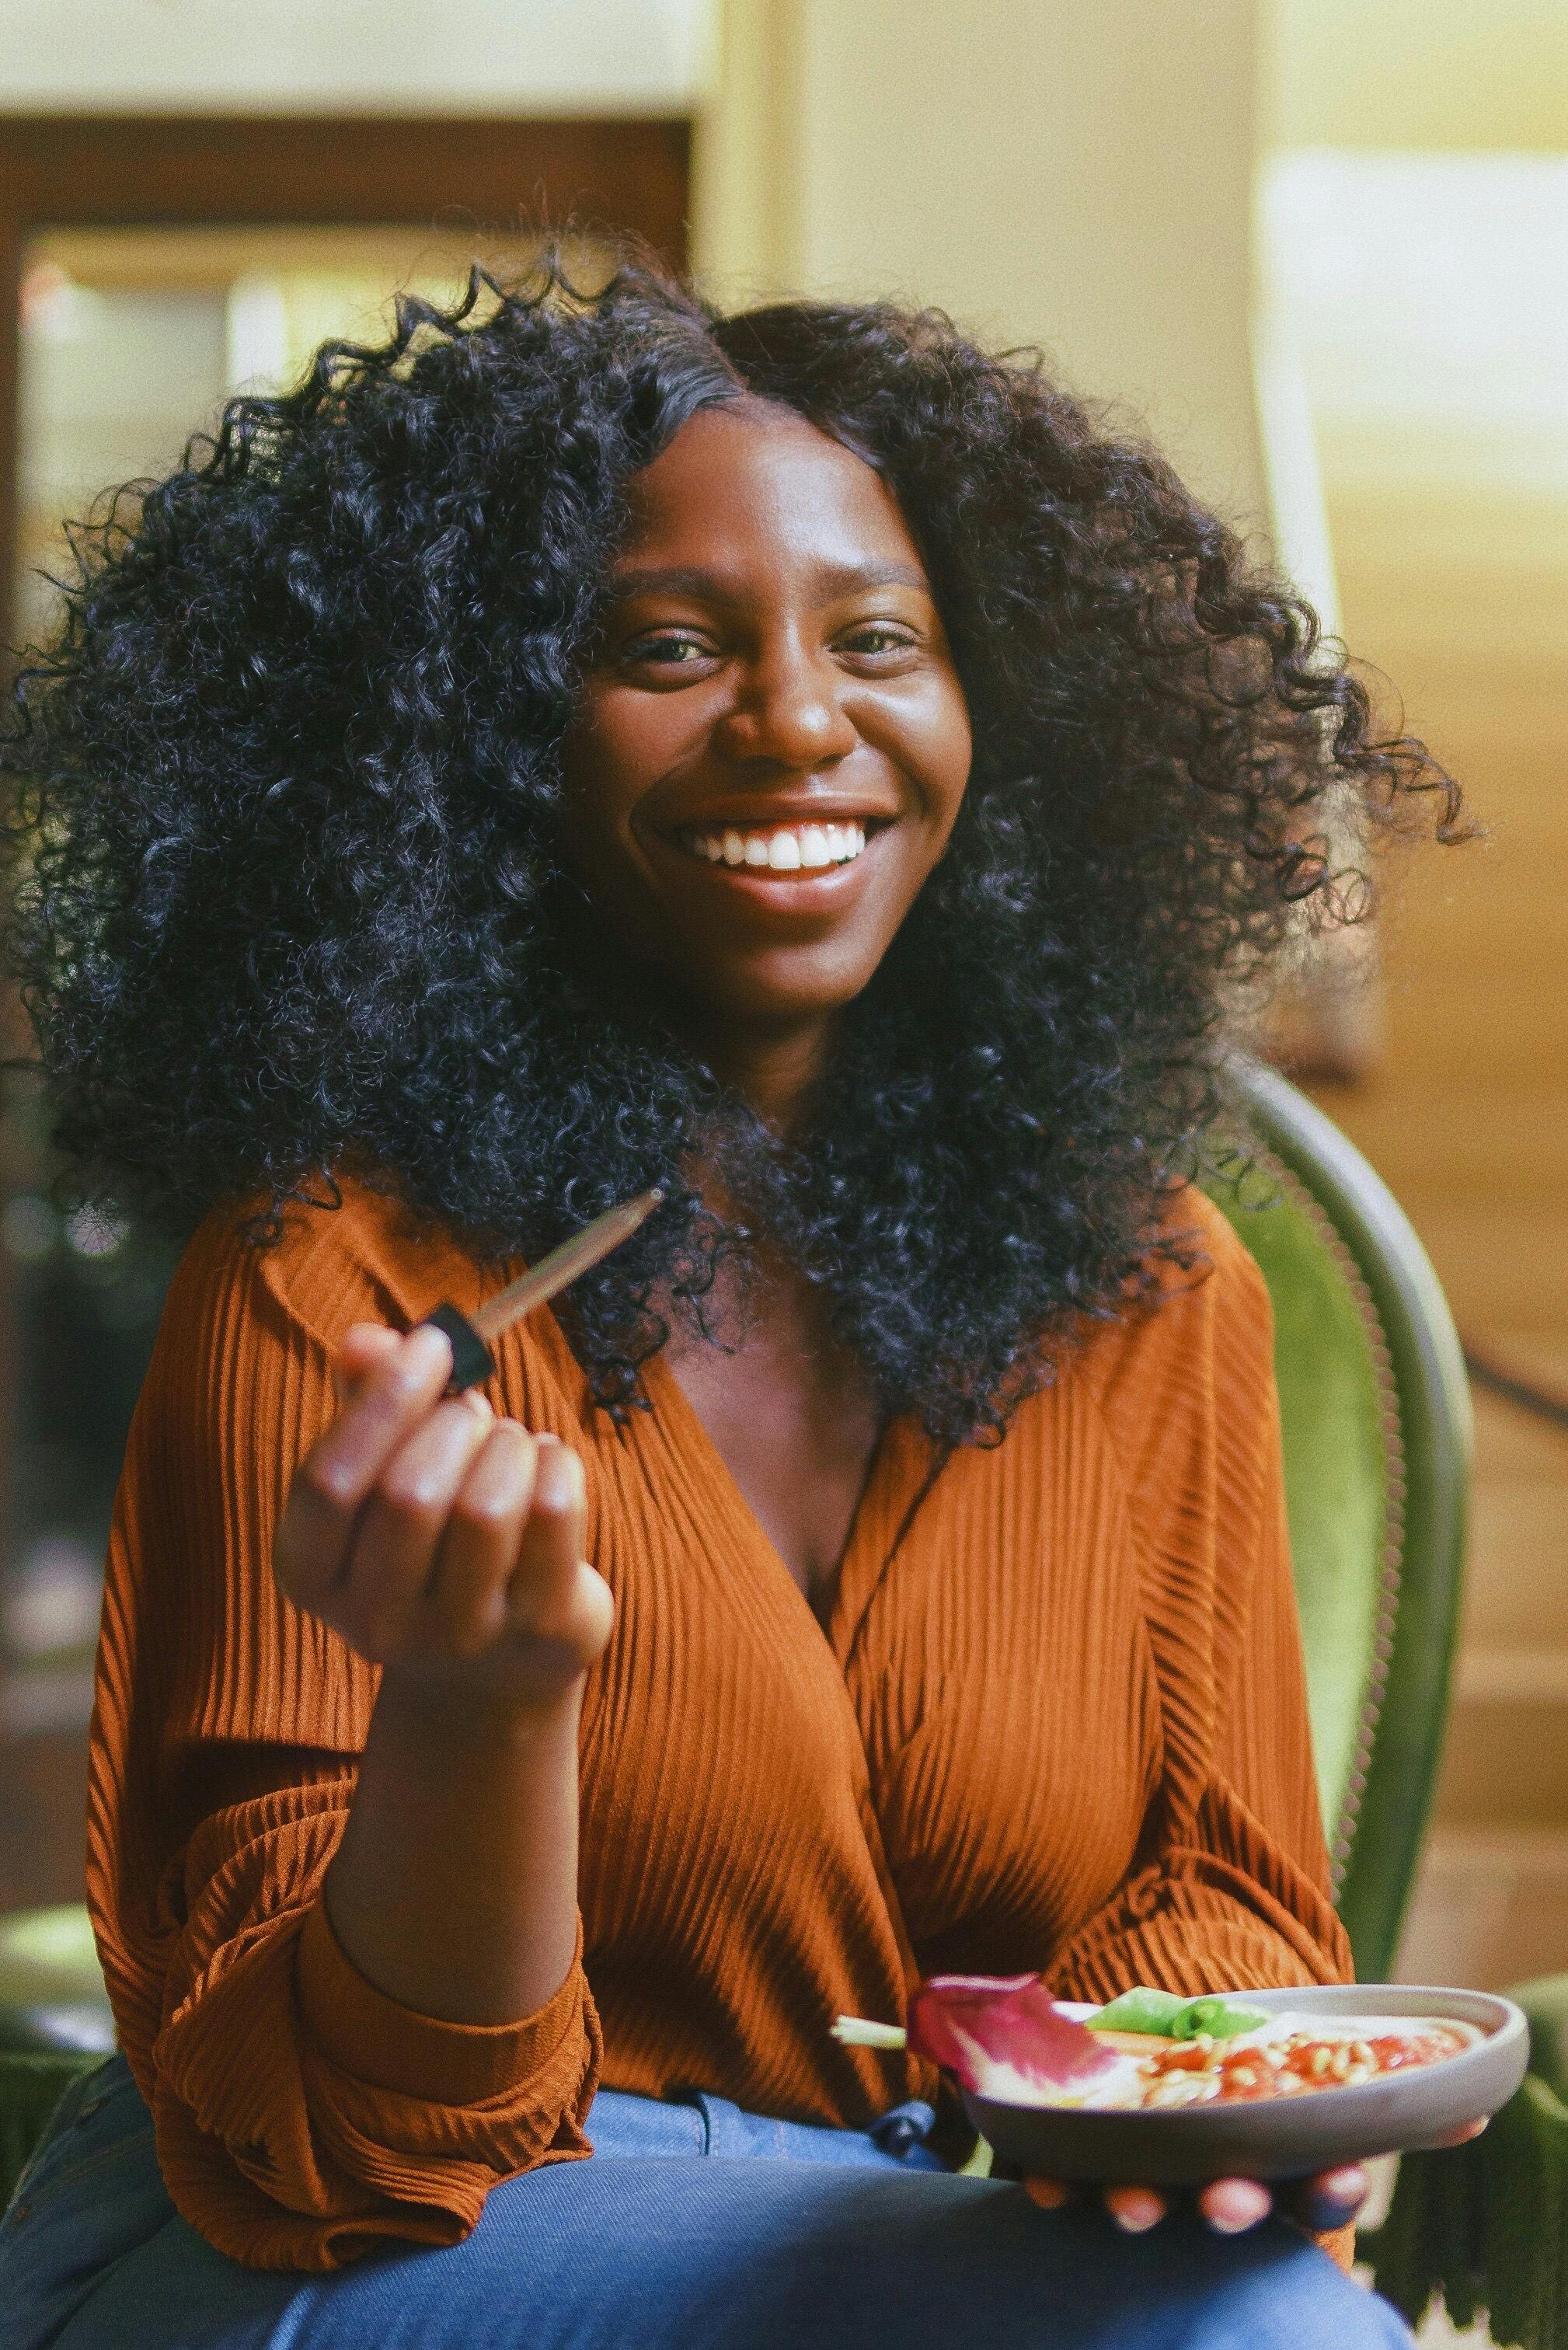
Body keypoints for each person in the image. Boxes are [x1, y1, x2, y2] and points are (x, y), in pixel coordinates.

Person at [0, 261, 1464, 2348]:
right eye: (668, 649)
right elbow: (346, 2137)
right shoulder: (337, 1279)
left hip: (901, 2233)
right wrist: (478, 1707)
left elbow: (1220, 1896)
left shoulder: (1146, 1284)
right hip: (340, 2235)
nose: (796, 719)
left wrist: (1167, 2111)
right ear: (480, 744)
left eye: (880, 641)